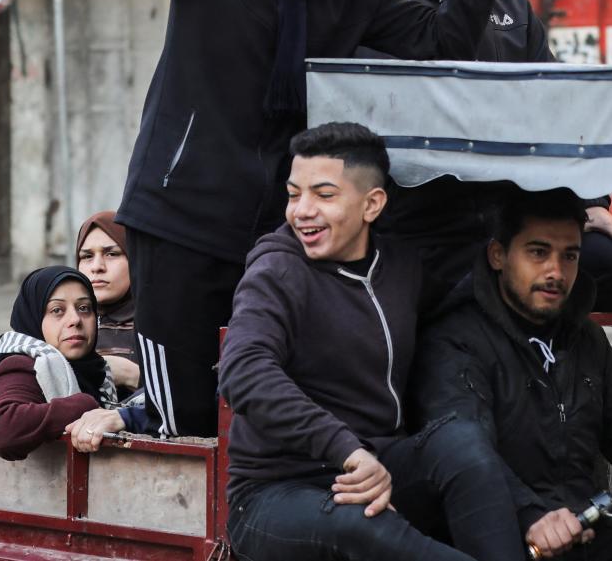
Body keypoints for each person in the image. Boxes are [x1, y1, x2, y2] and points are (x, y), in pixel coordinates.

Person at [75, 0, 528, 437]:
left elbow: (439, 43)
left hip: (276, 232)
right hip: (180, 220)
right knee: (186, 419)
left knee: (264, 407)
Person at [218, 122, 525, 561]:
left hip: (381, 462)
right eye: (293, 194)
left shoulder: (402, 267)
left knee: (462, 446)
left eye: (324, 195)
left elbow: (489, 275)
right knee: (367, 526)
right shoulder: (276, 271)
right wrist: (346, 449)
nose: (302, 211)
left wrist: (584, 210)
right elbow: (244, 370)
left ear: (372, 204)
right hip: (274, 492)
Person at [370, 0, 612, 312]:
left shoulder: (514, 10)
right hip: (428, 220)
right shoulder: (387, 2)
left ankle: (555, 362)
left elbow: (559, 108)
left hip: (514, 214)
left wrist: (589, 203)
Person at [414, 192, 612, 561]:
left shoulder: (584, 338)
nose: (555, 271)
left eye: (569, 256)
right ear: (498, 255)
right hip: (506, 542)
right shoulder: (455, 341)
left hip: (587, 538)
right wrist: (532, 515)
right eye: (538, 252)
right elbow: (468, 458)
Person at [0, 266, 150, 461]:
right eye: (57, 310)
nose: (75, 320)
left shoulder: (98, 373)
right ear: (34, 317)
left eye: (84, 308)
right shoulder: (23, 365)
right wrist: (84, 405)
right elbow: (4, 430)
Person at [74, 212, 140, 397]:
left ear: (135, 260)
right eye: (87, 256)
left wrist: (132, 375)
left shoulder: (159, 325)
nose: (97, 266)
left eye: (111, 253)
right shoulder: (62, 321)